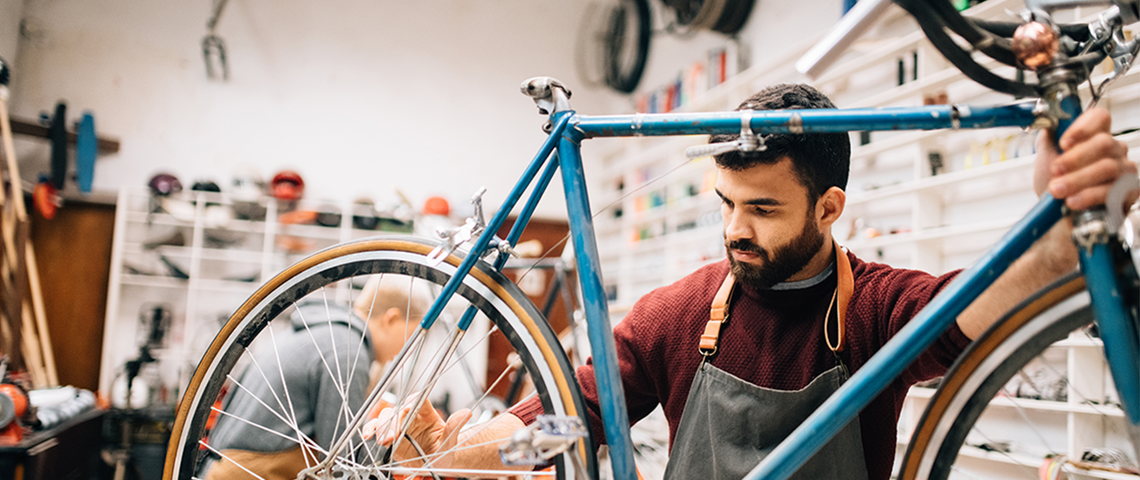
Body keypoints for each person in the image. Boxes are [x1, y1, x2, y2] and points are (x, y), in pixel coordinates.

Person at [372, 84, 1136, 480]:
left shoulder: (871, 310)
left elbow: (986, 303)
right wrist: (446, 455)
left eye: (764, 208)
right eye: (727, 203)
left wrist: (1061, 224)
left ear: (829, 206)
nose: (737, 228)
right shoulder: (678, 314)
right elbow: (568, 424)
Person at [202, 274, 428, 480]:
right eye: (414, 333)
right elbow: (344, 459)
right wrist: (409, 446)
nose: (406, 349)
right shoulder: (348, 350)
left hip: (224, 466)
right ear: (391, 319)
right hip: (247, 472)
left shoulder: (328, 333)